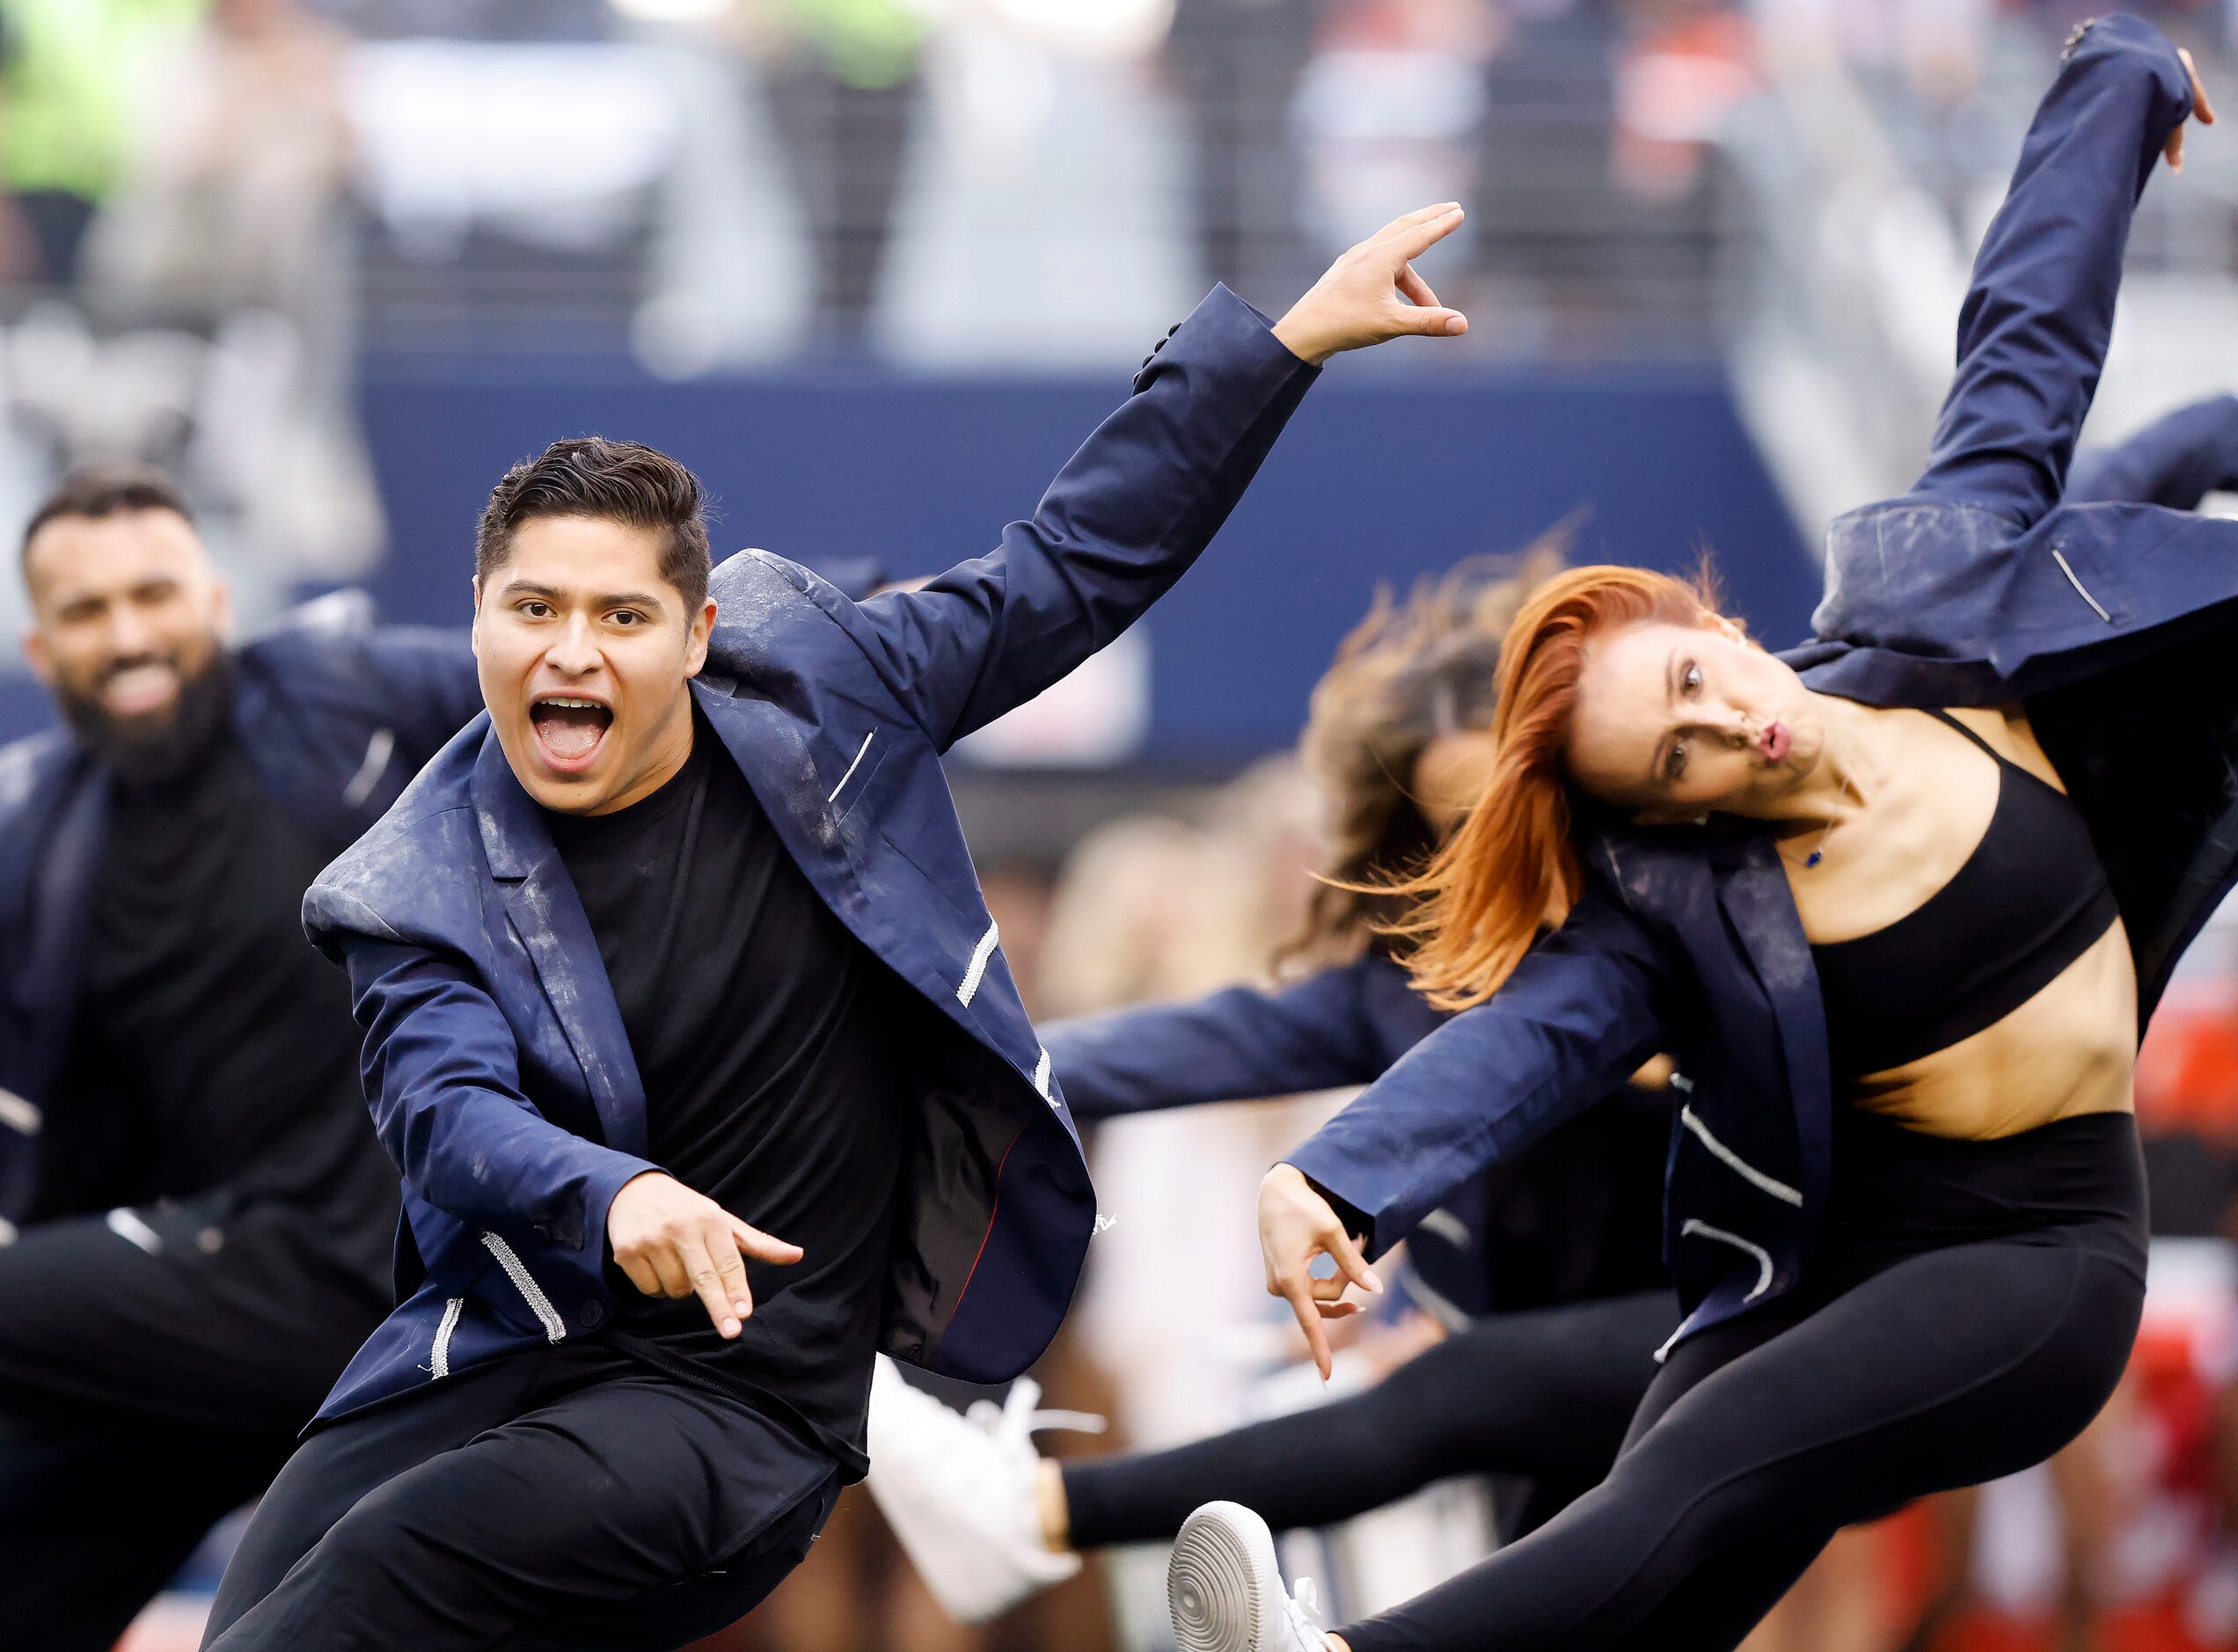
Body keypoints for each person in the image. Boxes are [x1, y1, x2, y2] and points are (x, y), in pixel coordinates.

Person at [198, 203, 1474, 1652]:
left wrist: (1284, 342)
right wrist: (615, 1196)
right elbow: (448, 1116)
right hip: (487, 1366)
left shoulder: (825, 682)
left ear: (692, 634)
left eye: (617, 614)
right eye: (531, 606)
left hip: (740, 1404)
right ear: (477, 616)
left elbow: (1070, 559)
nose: (569, 648)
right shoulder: (408, 882)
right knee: (260, 1609)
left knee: (386, 1565)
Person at [1165, 18, 2238, 1652]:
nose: (1726, 727)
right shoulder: (1676, 907)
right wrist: (1334, 1176)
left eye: (1694, 680)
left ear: (1718, 624)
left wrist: (2117, 81)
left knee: (1715, 1458)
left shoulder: (1933, 610)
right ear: (1666, 809)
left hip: (2035, 1255)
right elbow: (1520, 1040)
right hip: (1826, 1269)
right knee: (1666, 1521)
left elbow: (2022, 340)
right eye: (1676, 752)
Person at [862, 539, 1680, 1626]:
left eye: (1528, 797)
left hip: (1731, 1331)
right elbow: (1156, 1051)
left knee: (1439, 1399)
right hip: (1550, 1408)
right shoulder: (1410, 993)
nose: (1506, 841)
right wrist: (887, 1072)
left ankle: (1032, 1510)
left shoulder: (1687, 921)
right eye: (1460, 824)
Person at [0, 463, 484, 1652]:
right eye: (87, 610)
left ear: (215, 599)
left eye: (152, 593)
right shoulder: (40, 843)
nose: (128, 634)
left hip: (398, 1288)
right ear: (38, 645)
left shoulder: (343, 699)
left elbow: (588, 674)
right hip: (216, 1312)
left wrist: (880, 627)